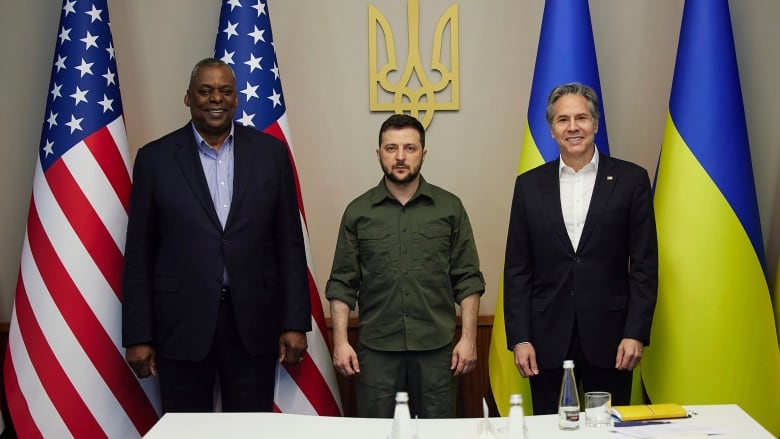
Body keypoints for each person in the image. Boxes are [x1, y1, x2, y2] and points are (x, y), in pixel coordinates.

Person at [121, 58, 311, 413]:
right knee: (187, 431)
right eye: (205, 91)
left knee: (250, 431)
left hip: (253, 324)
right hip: (181, 325)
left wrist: (295, 322)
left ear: (236, 99)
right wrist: (138, 335)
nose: (216, 99)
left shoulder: (271, 154)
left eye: (225, 91)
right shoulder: (155, 159)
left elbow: (289, 243)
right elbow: (139, 254)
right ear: (188, 98)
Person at [503, 82, 658, 415]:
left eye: (581, 118)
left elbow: (644, 265)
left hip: (613, 339)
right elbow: (517, 269)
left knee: (608, 429)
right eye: (563, 120)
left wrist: (635, 333)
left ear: (596, 124)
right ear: (552, 129)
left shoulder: (631, 180)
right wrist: (520, 338)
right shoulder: (529, 185)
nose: (573, 127)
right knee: (550, 430)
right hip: (544, 341)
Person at [326, 114, 485, 418]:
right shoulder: (358, 212)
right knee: (376, 434)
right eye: (391, 148)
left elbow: (468, 279)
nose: (400, 157)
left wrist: (468, 339)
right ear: (379, 154)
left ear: (423, 154)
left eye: (410, 148)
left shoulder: (449, 207)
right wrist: (341, 342)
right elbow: (342, 284)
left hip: (438, 352)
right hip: (376, 353)